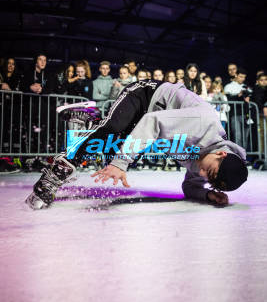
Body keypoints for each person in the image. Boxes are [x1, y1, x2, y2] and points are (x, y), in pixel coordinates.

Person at [26, 80, 248, 210]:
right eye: (208, 171)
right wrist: (122, 163)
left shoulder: (209, 162)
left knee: (107, 149)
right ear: (221, 153)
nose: (200, 172)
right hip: (145, 97)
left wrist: (207, 195)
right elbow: (152, 121)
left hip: (150, 119)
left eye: (207, 178)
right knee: (109, 132)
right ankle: (51, 180)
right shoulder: (202, 122)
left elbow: (190, 187)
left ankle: (89, 121)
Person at [224, 68, 250, 147]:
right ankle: (238, 156)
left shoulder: (246, 87)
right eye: (241, 77)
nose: (242, 79)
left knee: (245, 137)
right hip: (234, 114)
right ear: (236, 75)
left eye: (244, 77)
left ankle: (244, 156)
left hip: (246, 115)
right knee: (237, 136)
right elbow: (227, 100)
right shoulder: (228, 86)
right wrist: (238, 95)